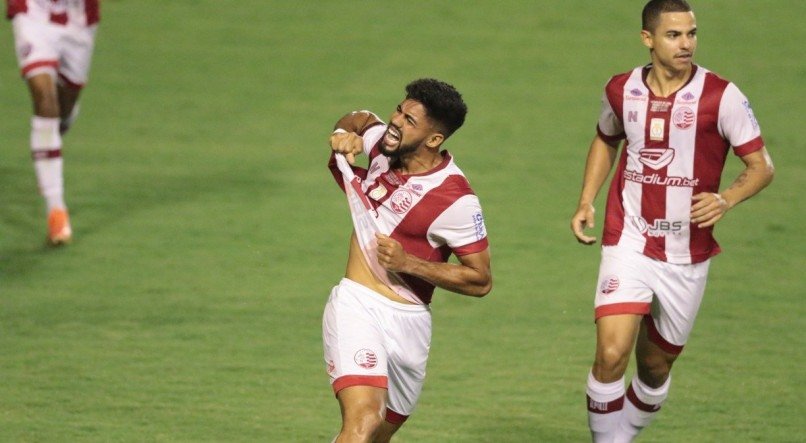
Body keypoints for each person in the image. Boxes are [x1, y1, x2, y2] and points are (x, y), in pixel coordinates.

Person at [570, 1, 774, 441]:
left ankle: (625, 430)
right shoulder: (621, 89)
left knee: (655, 366)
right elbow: (606, 139)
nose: (686, 44)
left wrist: (726, 199)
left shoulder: (722, 96)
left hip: (687, 253)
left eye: (692, 34)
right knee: (610, 353)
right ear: (648, 39)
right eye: (674, 35)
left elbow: (761, 167)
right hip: (628, 237)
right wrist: (587, 199)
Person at [324, 78, 492, 442]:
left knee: (377, 435)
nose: (396, 121)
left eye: (409, 121)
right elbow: (358, 117)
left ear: (434, 140)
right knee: (363, 421)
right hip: (357, 304)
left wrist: (409, 264)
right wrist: (343, 133)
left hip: (410, 326)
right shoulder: (385, 146)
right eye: (399, 110)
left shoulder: (455, 200)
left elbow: (481, 280)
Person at [6, 0, 100, 245]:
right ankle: (56, 210)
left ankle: (53, 137)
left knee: (62, 109)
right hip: (33, 12)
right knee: (45, 101)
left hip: (78, 17)